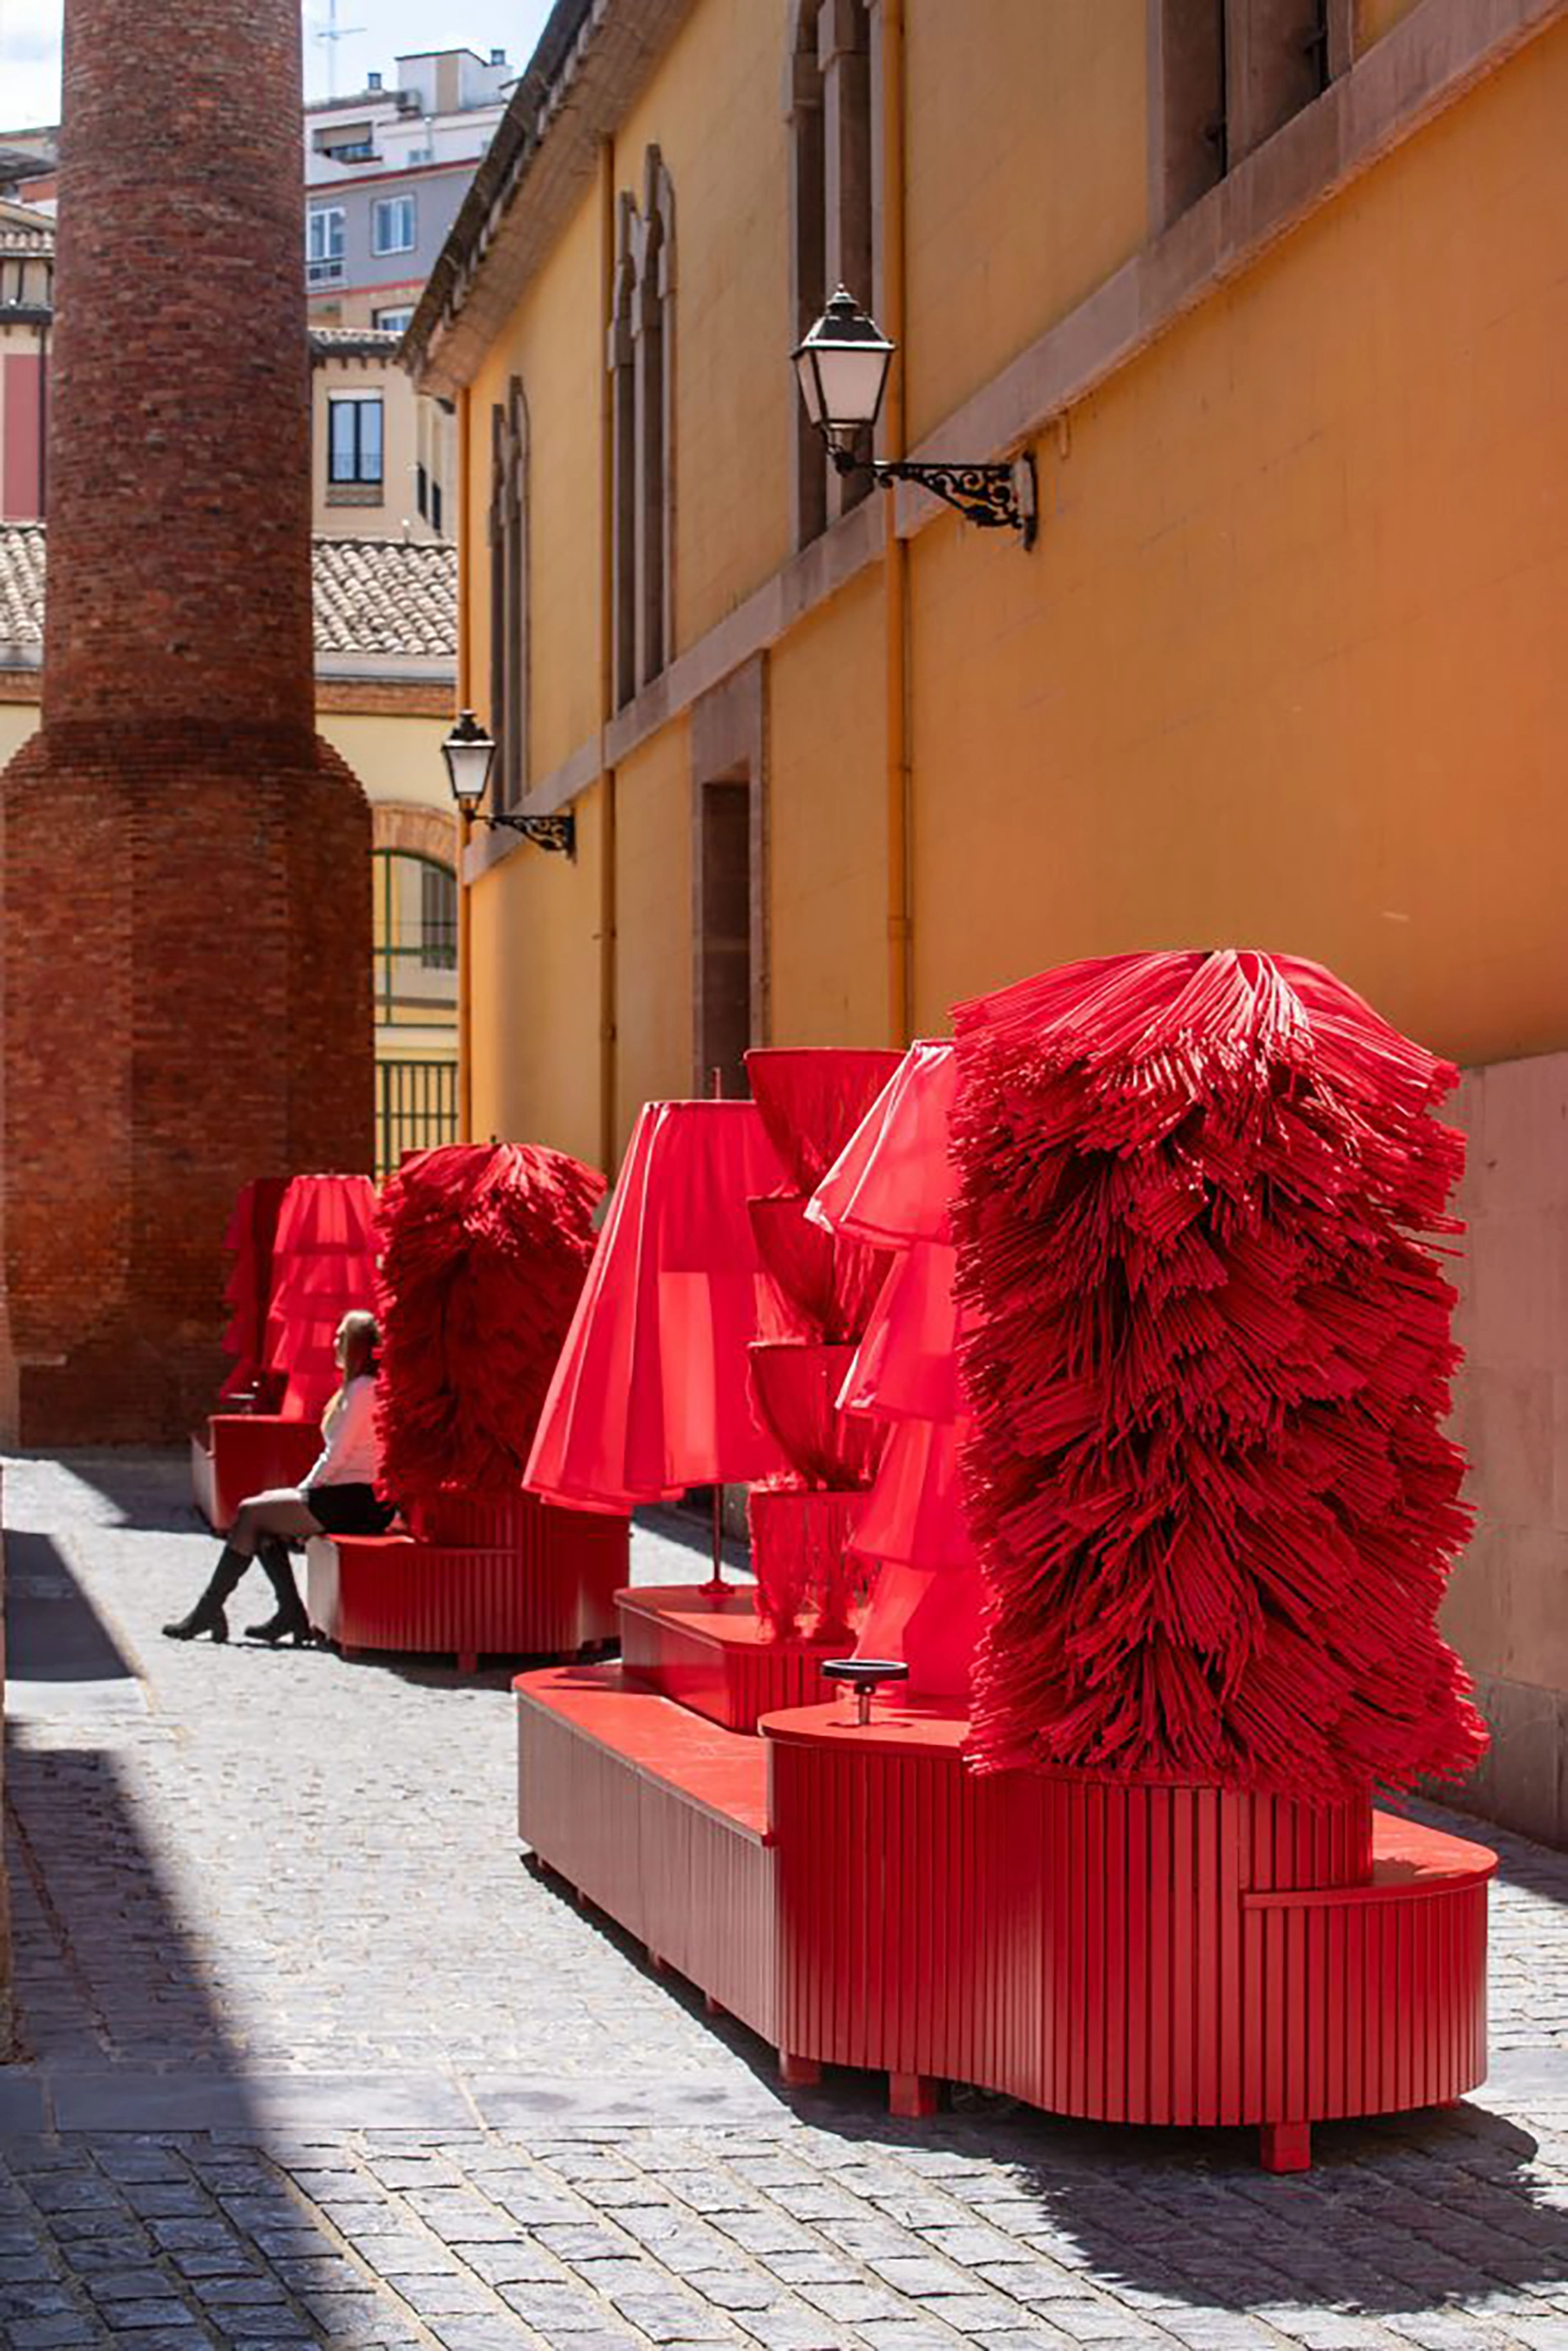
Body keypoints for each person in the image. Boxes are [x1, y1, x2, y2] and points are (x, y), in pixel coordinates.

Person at [164, 1309, 395, 1646]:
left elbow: (338, 1455)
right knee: (259, 1519)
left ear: (356, 1345)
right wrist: (305, 1493)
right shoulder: (360, 1388)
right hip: (347, 1494)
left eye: (341, 1336)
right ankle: (285, 1614)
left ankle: (213, 1610)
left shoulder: (362, 1390)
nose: (334, 1341)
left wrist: (304, 1491)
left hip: (356, 1500)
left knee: (251, 1514)